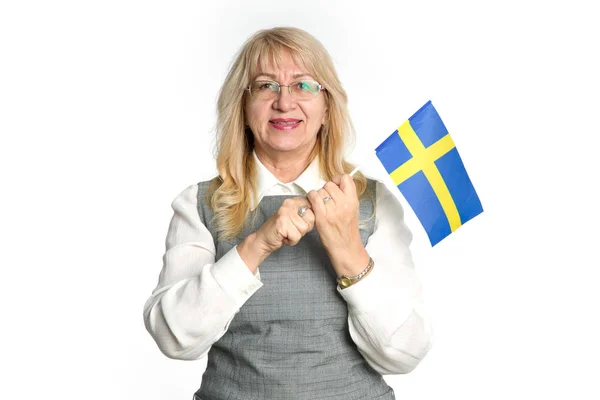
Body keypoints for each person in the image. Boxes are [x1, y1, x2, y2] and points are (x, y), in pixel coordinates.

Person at [143, 26, 432, 400]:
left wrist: (347, 249)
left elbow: (404, 353)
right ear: (243, 108)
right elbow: (175, 338)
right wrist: (256, 245)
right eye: (265, 86)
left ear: (327, 108)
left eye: (304, 85)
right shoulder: (199, 204)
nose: (284, 102)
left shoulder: (373, 203)